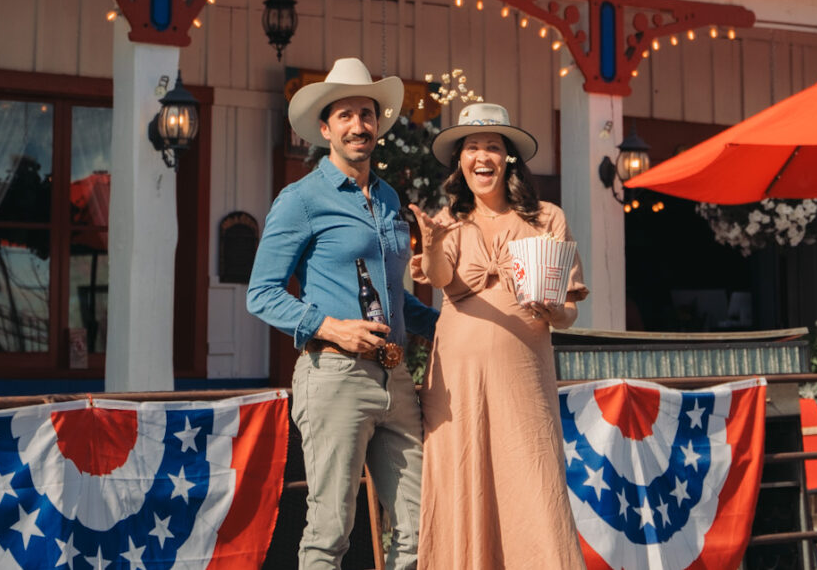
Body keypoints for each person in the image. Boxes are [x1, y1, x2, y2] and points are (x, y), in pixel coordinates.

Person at [247, 57, 438, 570]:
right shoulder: (301, 199)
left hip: (397, 381)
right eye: (346, 115)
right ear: (326, 128)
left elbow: (400, 301)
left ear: (378, 125)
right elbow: (261, 293)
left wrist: (457, 326)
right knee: (330, 532)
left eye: (367, 114)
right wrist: (331, 327)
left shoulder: (390, 198)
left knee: (419, 531)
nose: (359, 125)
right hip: (333, 375)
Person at [409, 102, 586, 570]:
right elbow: (439, 277)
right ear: (460, 161)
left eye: (492, 146)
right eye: (472, 147)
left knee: (533, 483)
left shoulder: (546, 217)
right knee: (462, 485)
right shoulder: (447, 220)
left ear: (508, 158)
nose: (482, 155)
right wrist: (429, 245)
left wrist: (552, 309)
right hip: (456, 385)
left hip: (523, 382)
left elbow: (568, 312)